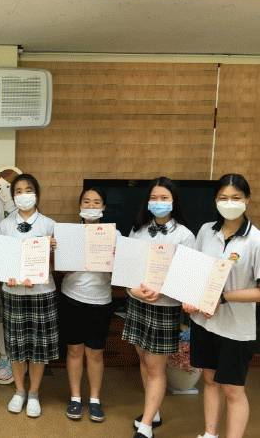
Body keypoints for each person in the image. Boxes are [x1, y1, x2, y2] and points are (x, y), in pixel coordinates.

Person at [184, 174, 260, 438]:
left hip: (235, 329)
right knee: (209, 381)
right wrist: (189, 296)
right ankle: (210, 434)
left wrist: (224, 297)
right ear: (216, 200)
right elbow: (195, 272)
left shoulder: (255, 240)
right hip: (204, 323)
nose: (229, 203)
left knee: (232, 390)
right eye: (223, 198)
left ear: (246, 200)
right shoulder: (206, 231)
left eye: (236, 198)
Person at [123, 177, 195, 438]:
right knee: (143, 359)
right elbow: (128, 268)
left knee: (156, 367)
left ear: (174, 201)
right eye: (154, 198)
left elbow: (187, 277)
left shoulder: (185, 236)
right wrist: (132, 290)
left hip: (164, 308)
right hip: (138, 304)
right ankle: (153, 413)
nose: (158, 202)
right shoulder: (138, 230)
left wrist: (162, 290)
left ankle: (146, 426)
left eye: (164, 198)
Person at [0, 173, 58, 418]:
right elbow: (2, 260)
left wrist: (51, 254)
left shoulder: (49, 224)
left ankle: (33, 393)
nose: (23, 195)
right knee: (15, 345)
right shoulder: (5, 225)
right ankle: (19, 391)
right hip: (13, 292)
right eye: (18, 191)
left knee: (38, 346)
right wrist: (6, 276)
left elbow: (56, 265)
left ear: (37, 194)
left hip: (41, 293)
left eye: (28, 190)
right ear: (13, 197)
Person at [62, 187, 120, 423]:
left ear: (104, 207)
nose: (91, 206)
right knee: (74, 350)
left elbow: (122, 271)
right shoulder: (69, 234)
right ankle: (75, 397)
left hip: (100, 300)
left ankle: (95, 399)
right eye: (86, 201)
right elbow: (59, 265)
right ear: (80, 206)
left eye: (97, 202)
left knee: (95, 353)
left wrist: (117, 256)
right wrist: (57, 248)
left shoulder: (114, 235)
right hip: (71, 296)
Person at [0, 167, 22, 384]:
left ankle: (12, 358)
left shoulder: (24, 213)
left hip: (21, 278)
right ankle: (2, 356)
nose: (3, 191)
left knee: (15, 320)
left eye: (8, 187)